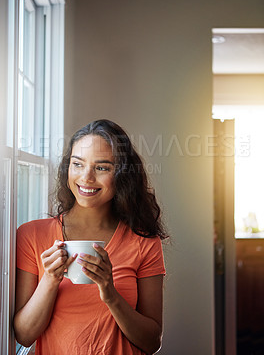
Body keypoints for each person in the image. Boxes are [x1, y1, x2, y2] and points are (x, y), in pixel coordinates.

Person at [14, 119, 167, 355]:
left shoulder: (144, 242)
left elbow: (152, 342)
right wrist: (50, 280)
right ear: (68, 168)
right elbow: (24, 336)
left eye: (102, 167)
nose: (86, 177)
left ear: (122, 175)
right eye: (78, 164)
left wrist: (110, 294)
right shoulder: (31, 235)